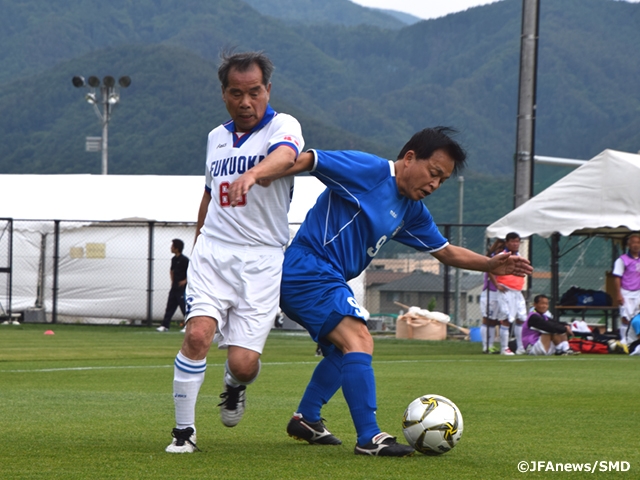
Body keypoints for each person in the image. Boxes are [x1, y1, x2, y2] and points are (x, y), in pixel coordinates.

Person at [267, 127, 533, 457]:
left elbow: (446, 251)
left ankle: (306, 418)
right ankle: (369, 438)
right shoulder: (370, 170)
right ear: (409, 158)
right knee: (360, 339)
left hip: (326, 277)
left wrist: (490, 265)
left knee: (343, 351)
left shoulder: (411, 210)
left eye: (442, 180)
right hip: (308, 268)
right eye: (433, 173)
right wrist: (256, 177)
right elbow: (310, 160)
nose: (435, 184)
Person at [164, 51, 304, 453]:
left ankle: (234, 385)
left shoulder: (284, 125)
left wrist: (254, 173)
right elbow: (209, 195)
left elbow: (286, 157)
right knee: (197, 335)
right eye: (236, 93)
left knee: (243, 364)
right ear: (224, 94)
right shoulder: (215, 137)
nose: (246, 102)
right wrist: (197, 247)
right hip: (214, 252)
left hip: (262, 258)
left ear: (268, 90)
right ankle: (183, 433)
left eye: (254, 92)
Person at [490, 232, 528, 355]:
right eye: (512, 241)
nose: (515, 244)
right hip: (506, 291)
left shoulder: (519, 255)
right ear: (507, 243)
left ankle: (520, 347)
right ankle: (504, 348)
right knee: (506, 319)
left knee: (521, 319)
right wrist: (496, 284)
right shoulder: (502, 256)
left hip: (517, 291)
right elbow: (489, 268)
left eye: (517, 241)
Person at [612, 232, 640, 345]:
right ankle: (624, 341)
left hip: (638, 292)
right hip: (626, 292)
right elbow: (617, 277)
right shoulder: (622, 260)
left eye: (638, 242)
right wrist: (618, 294)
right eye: (633, 242)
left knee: (637, 317)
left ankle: (634, 341)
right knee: (625, 318)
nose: (636, 245)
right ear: (628, 245)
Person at [157, 239, 189, 332]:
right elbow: (172, 271)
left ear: (177, 248)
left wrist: (185, 281)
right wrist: (172, 281)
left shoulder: (185, 260)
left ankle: (188, 325)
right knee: (170, 306)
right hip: (174, 287)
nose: (171, 248)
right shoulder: (174, 259)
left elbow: (191, 272)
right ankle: (165, 325)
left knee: (184, 307)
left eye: (172, 246)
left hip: (182, 288)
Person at [480, 239, 506, 354]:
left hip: (501, 294)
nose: (500, 250)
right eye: (498, 247)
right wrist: (497, 242)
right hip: (490, 292)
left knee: (494, 321)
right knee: (487, 319)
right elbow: (487, 259)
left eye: (502, 248)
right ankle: (486, 346)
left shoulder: (505, 259)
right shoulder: (491, 259)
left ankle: (491, 345)